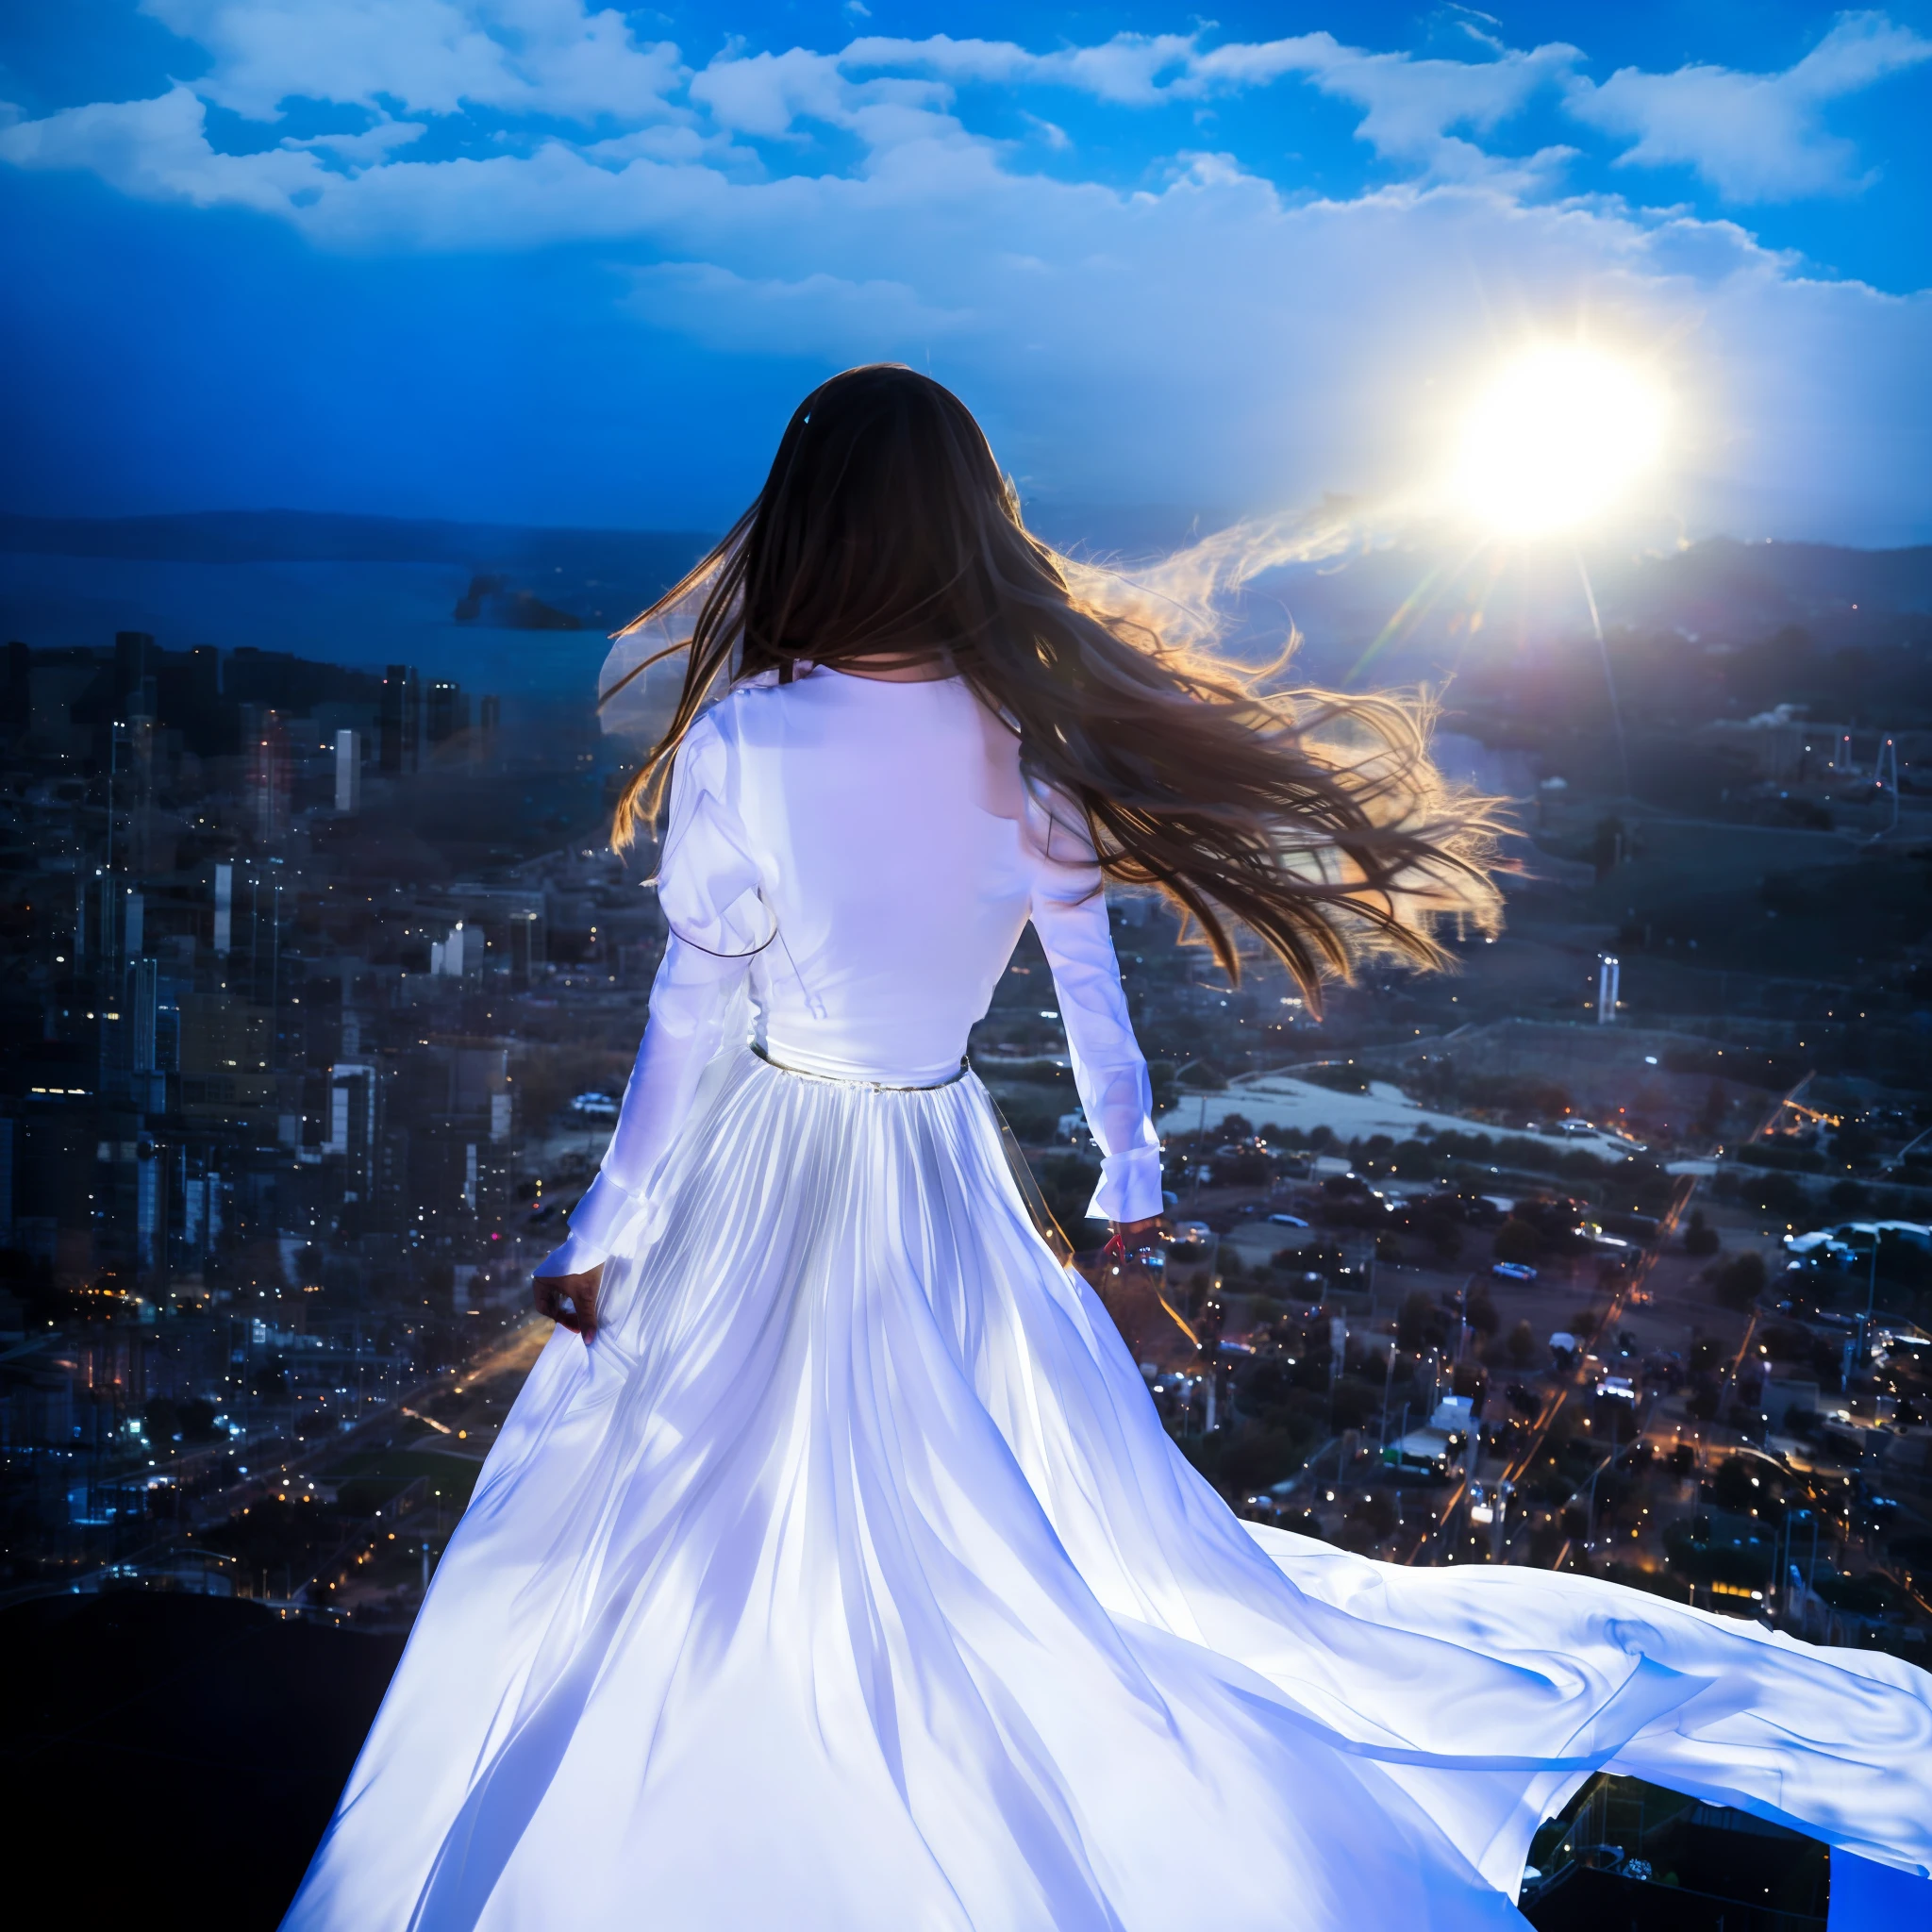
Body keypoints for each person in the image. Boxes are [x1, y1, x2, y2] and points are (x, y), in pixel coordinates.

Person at [283, 367, 1929, 1931]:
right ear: (968, 528)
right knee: (976, 1529)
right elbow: (1089, 998)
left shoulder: (747, 741)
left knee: (696, 1523)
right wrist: (1129, 1183)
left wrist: (601, 1232)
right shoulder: (1029, 743)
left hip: (765, 1168)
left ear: (801, 520)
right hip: (943, 1170)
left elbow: (687, 1025)